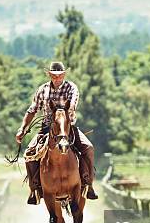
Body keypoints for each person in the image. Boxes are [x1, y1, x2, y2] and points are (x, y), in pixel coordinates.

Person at [16, 61, 98, 204]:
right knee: (29, 153)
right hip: (47, 128)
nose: (57, 78)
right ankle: (34, 188)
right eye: (54, 75)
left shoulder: (71, 87)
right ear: (49, 74)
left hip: (68, 128)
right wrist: (22, 128)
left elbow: (73, 102)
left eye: (59, 75)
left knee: (88, 148)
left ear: (64, 74)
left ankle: (87, 184)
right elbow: (32, 109)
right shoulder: (42, 90)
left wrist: (67, 111)